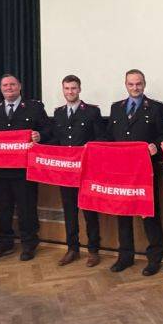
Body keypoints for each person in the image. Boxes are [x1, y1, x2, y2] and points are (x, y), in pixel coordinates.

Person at [0, 74, 51, 262]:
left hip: (25, 169)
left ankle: (29, 242)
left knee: (27, 208)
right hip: (0, 170)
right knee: (2, 207)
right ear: (0, 88)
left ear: (19, 86)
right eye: (5, 85)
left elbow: (48, 130)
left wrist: (40, 136)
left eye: (12, 84)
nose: (9, 88)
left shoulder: (34, 108)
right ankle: (4, 242)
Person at [106, 69, 163, 276]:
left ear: (144, 84)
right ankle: (125, 256)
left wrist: (156, 145)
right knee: (123, 213)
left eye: (138, 84)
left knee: (149, 213)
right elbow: (109, 137)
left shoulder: (156, 108)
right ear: (126, 85)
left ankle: (154, 259)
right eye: (131, 84)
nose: (135, 87)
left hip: (145, 170)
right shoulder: (116, 108)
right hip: (121, 171)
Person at [49, 75, 105, 268]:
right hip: (66, 173)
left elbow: (101, 139)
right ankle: (72, 248)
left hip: (87, 171)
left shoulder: (92, 111)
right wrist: (37, 144)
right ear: (63, 90)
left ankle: (93, 250)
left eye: (73, 88)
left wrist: (91, 152)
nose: (70, 92)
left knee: (90, 212)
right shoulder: (58, 113)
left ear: (79, 89)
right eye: (67, 88)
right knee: (69, 212)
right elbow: (55, 140)